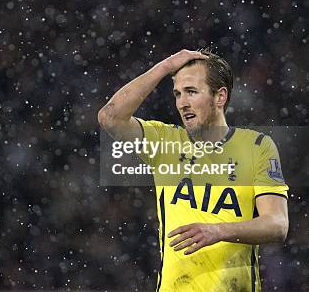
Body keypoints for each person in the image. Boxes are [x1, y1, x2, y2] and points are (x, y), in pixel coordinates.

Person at [98, 49, 289, 292]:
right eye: (177, 94)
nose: (182, 103)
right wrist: (165, 67)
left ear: (220, 97)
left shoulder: (257, 147)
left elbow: (277, 224)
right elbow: (110, 117)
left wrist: (219, 231)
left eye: (191, 92)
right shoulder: (164, 143)